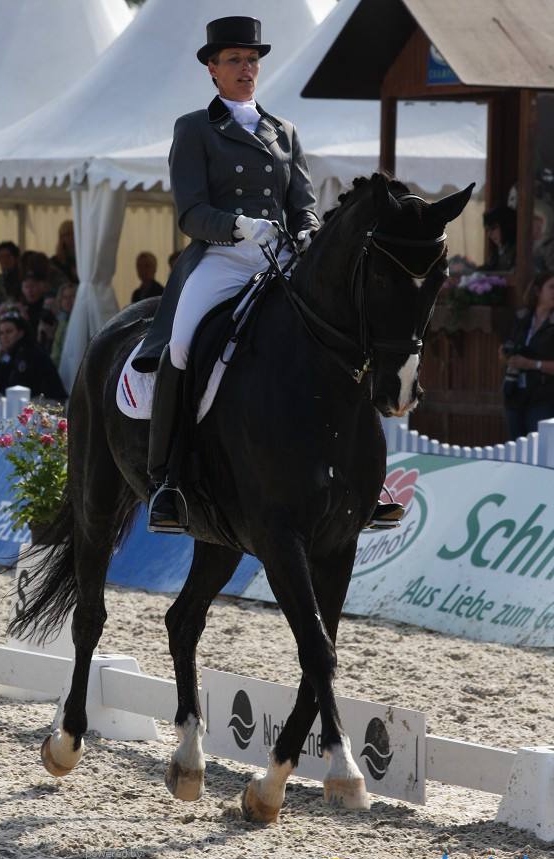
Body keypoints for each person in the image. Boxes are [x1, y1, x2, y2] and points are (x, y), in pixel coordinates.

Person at [131, 16, 402, 533]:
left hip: (283, 259)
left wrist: (305, 234)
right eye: (234, 59)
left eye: (252, 60)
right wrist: (237, 226)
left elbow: (303, 204)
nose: (246, 68)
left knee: (344, 340)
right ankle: (166, 479)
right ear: (213, 68)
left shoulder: (285, 131)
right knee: (183, 345)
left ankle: (364, 477)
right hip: (223, 258)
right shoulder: (195, 128)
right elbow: (189, 211)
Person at [499, 270, 554, 438]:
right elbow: (507, 353)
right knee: (516, 450)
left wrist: (532, 364)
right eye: (552, 287)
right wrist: (505, 355)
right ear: (537, 291)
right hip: (515, 395)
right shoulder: (522, 318)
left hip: (542, 398)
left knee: (538, 453)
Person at [0, 312, 67, 402]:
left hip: (49, 402)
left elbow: (17, 387)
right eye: (1, 333)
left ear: (20, 333)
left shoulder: (30, 352)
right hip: (29, 399)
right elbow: (0, 388)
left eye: (9, 331)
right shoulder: (11, 353)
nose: (4, 336)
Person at [477, 206, 517, 272]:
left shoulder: (518, 253)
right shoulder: (496, 253)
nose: (489, 234)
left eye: (493, 228)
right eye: (487, 230)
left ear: (506, 226)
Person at [51, 283, 77, 367]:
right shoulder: (61, 321)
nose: (68, 301)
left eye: (71, 297)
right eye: (64, 297)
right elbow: (57, 349)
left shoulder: (80, 321)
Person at [50, 220, 78, 285]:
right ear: (62, 238)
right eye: (67, 235)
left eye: (73, 234)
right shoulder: (55, 261)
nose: (71, 238)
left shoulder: (85, 257)